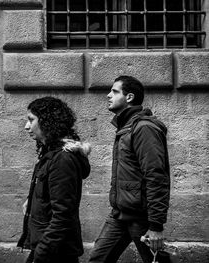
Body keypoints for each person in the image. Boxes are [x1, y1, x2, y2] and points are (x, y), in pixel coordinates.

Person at [88, 76, 170, 263]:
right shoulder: (125, 127)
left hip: (141, 218)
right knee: (97, 260)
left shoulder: (144, 128)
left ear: (130, 97)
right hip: (120, 214)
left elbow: (156, 177)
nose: (108, 95)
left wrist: (156, 225)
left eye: (115, 91)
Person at [17, 96, 91, 263]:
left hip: (55, 252)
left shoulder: (61, 160)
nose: (26, 126)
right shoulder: (49, 154)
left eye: (31, 120)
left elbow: (63, 215)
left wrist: (42, 252)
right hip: (48, 247)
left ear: (47, 121)